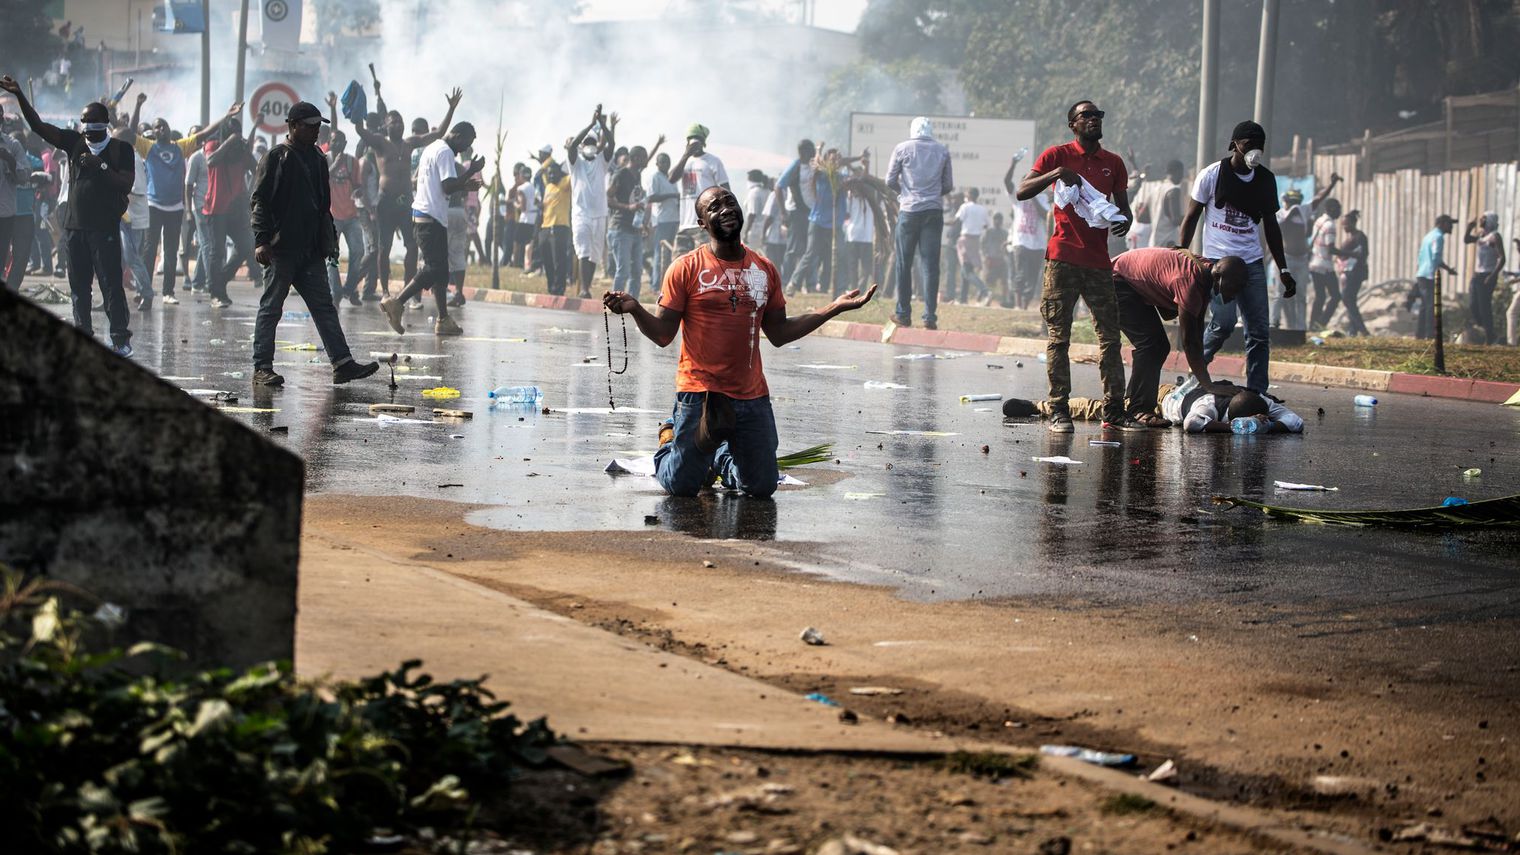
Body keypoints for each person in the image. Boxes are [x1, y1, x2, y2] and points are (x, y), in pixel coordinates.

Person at [601, 185, 877, 498]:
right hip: (700, 392)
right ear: (703, 224)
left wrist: (835, 307)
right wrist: (636, 308)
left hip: (750, 395)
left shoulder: (764, 269)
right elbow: (664, 335)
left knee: (761, 487)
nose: (725, 209)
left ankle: (719, 458)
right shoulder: (686, 268)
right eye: (714, 207)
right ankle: (670, 438)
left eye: (729, 202)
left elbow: (780, 332)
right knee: (682, 486)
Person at [1016, 100, 1137, 433]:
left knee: (1111, 338)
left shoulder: (1113, 163)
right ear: (1073, 124)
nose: (1094, 119)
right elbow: (1022, 190)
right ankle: (1059, 410)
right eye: (1087, 116)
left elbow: (1124, 209)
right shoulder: (1057, 155)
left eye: (1098, 115)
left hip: (1098, 262)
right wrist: (1056, 175)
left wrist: (1124, 221)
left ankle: (1114, 410)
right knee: (1059, 338)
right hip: (1062, 259)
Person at [1, 76, 136, 355]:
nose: (86, 129)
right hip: (74, 229)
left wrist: (99, 166)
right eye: (83, 123)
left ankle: (120, 340)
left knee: (111, 286)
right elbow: (38, 127)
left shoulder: (120, 150)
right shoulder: (75, 142)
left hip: (104, 229)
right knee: (79, 289)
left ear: (104, 123)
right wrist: (20, 96)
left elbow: (125, 184)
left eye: (91, 123)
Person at [249, 101, 378, 387]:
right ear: (292, 126)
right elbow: (260, 201)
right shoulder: (276, 158)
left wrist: (329, 239)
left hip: (310, 251)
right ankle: (262, 367)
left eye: (318, 127)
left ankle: (342, 363)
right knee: (271, 308)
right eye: (310, 127)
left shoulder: (319, 159)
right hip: (281, 249)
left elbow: (323, 205)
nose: (315, 132)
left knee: (324, 306)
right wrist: (261, 240)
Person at [1178, 120, 1297, 395]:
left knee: (1258, 332)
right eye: (1248, 145)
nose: (1254, 150)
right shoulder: (1212, 175)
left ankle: (1258, 393)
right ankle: (1195, 377)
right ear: (1234, 145)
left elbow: (1271, 226)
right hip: (1219, 266)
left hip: (1252, 264)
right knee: (1223, 324)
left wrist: (1283, 268)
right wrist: (1183, 255)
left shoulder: (1265, 180)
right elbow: (1192, 216)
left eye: (1260, 146)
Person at [125, 94, 240, 304]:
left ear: (169, 129)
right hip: (154, 205)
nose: (160, 129)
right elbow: (129, 133)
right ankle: (145, 291)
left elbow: (205, 132)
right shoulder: (147, 147)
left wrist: (226, 116)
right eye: (156, 127)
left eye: (163, 126)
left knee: (170, 252)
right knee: (150, 250)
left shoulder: (180, 147)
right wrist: (138, 105)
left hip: (175, 208)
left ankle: (168, 292)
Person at [350, 81, 461, 299]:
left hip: (405, 201)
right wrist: (357, 110)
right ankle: (383, 291)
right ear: (386, 124)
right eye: (394, 122)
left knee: (412, 246)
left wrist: (451, 108)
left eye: (400, 121)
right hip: (386, 201)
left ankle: (408, 289)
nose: (398, 125)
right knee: (384, 247)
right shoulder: (380, 143)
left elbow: (437, 135)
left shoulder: (409, 143)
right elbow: (360, 130)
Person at [1111, 246, 1247, 424]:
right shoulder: (1190, 282)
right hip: (1118, 281)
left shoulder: (1205, 273)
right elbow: (1190, 342)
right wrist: (1208, 385)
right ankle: (1138, 410)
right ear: (1218, 279)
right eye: (1233, 288)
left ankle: (1137, 403)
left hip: (1129, 277)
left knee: (1156, 345)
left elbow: (1197, 331)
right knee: (1153, 345)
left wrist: (1204, 378)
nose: (1234, 296)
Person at [379, 121, 483, 336]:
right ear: (457, 135)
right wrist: (470, 172)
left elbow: (438, 184)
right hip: (430, 217)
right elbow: (448, 185)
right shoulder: (445, 152)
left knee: (441, 272)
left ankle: (443, 319)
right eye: (466, 143)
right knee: (433, 268)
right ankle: (397, 302)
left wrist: (464, 184)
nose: (465, 148)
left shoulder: (432, 147)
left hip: (427, 215)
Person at [886, 117, 952, 329]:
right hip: (933, 212)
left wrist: (905, 192)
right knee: (930, 265)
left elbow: (889, 180)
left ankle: (903, 314)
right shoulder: (942, 151)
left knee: (904, 263)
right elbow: (948, 185)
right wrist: (931, 194)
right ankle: (930, 317)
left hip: (909, 211)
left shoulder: (902, 148)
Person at [203, 119, 258, 308]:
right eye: (232, 133)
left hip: (236, 210)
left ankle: (219, 283)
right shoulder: (213, 145)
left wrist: (249, 193)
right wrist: (229, 142)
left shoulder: (241, 151)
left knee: (246, 245)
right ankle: (216, 294)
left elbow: (258, 170)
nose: (236, 137)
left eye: (238, 133)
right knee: (216, 251)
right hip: (216, 208)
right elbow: (211, 161)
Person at [1273, 174, 1339, 329]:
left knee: (1301, 295)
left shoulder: (1304, 211)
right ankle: (1274, 322)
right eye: (1292, 202)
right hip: (1285, 259)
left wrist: (1331, 184)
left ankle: (1300, 327)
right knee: (1280, 293)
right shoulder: (1280, 215)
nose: (1295, 206)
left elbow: (1319, 198)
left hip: (1301, 260)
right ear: (1286, 202)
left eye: (1297, 202)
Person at [568, 105, 615, 298]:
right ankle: (584, 289)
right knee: (583, 252)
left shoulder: (601, 161)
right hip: (581, 213)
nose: (588, 143)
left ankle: (586, 286)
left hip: (600, 214)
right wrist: (590, 125)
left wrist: (602, 124)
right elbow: (572, 146)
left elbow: (611, 143)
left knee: (594, 254)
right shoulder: (575, 162)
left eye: (592, 142)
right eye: (586, 141)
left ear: (597, 146)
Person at [324, 126, 369, 307]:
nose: (337, 144)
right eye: (334, 140)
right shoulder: (323, 160)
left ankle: (349, 289)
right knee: (332, 256)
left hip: (351, 215)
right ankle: (335, 292)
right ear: (329, 142)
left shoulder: (352, 162)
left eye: (340, 141)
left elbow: (358, 185)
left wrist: (358, 192)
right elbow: (318, 181)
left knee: (358, 251)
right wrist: (333, 167)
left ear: (345, 143)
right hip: (331, 216)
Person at [667, 123, 729, 251]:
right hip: (685, 225)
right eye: (692, 140)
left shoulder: (713, 161)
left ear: (703, 143)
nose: (695, 144)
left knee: (705, 265)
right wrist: (686, 155)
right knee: (680, 265)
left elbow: (726, 191)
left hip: (705, 225)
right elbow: (671, 179)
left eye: (698, 140)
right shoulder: (684, 161)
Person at [1004, 151, 1051, 310]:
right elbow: (1007, 181)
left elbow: (1045, 216)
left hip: (1037, 245)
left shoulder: (1042, 199)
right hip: (1021, 242)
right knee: (1020, 275)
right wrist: (1013, 163)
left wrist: (1033, 196)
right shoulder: (1017, 197)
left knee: (1032, 278)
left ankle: (1025, 305)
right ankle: (1018, 305)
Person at [609, 144, 650, 298]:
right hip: (620, 228)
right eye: (644, 157)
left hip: (635, 229)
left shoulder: (637, 175)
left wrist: (643, 223)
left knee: (636, 271)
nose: (646, 160)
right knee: (623, 271)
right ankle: (615, 302)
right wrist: (628, 206)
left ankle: (632, 304)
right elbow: (607, 198)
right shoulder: (620, 174)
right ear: (635, 158)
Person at [776, 139, 815, 284]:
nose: (813, 154)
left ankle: (808, 283)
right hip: (796, 211)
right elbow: (779, 187)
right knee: (793, 249)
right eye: (811, 151)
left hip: (811, 212)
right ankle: (786, 281)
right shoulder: (795, 166)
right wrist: (783, 213)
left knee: (809, 249)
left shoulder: (813, 166)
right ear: (803, 152)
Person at [1464, 212, 1505, 344]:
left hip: (1487, 275)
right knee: (1473, 305)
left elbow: (1502, 258)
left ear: (1489, 221)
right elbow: (1467, 240)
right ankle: (1488, 331)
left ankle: (1489, 336)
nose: (1480, 220)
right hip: (1477, 275)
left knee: (1484, 307)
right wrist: (1469, 228)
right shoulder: (1482, 235)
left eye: (1483, 218)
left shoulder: (1494, 237)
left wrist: (1493, 276)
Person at [1412, 214, 1456, 339]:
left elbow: (1421, 256)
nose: (1451, 226)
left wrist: (1447, 269)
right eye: (1449, 223)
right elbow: (1436, 257)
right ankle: (1429, 334)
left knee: (1425, 305)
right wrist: (1443, 270)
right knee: (1431, 305)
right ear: (1441, 224)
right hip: (1430, 275)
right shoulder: (1438, 237)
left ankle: (1420, 334)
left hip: (1422, 273)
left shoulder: (1429, 236)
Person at [121, 145, 152, 311]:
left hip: (132, 219)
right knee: (114, 259)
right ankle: (111, 298)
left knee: (132, 257)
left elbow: (137, 190)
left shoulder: (133, 159)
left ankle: (147, 293)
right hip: (121, 216)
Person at [645, 151, 680, 294]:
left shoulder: (671, 179)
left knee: (670, 254)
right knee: (660, 254)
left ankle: (665, 283)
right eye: (663, 161)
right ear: (657, 163)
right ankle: (655, 285)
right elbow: (651, 197)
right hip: (662, 220)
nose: (666, 164)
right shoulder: (655, 177)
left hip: (674, 219)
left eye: (668, 161)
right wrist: (672, 195)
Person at [1307, 197, 1343, 328]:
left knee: (1320, 296)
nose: (1340, 212)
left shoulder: (1319, 220)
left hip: (1314, 264)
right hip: (1325, 266)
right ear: (1332, 209)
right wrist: (1349, 254)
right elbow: (1331, 248)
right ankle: (1321, 323)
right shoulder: (1330, 225)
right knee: (1336, 296)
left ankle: (1312, 324)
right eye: (1339, 209)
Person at [537, 158, 572, 296]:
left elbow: (574, 172)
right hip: (545, 227)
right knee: (547, 259)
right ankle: (551, 287)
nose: (551, 176)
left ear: (560, 173)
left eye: (554, 173)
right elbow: (541, 171)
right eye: (549, 173)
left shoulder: (565, 183)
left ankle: (559, 289)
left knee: (559, 260)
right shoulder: (548, 186)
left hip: (560, 227)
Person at [839, 169, 875, 293]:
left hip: (856, 235)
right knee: (863, 266)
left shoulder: (854, 197)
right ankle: (859, 287)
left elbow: (846, 215)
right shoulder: (870, 198)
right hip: (862, 236)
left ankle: (856, 288)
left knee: (855, 266)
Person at [1336, 210, 1370, 337]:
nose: (1345, 227)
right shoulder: (1350, 237)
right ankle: (1353, 330)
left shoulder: (1359, 236)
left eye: (1347, 224)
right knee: (1350, 300)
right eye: (1343, 225)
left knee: (1347, 298)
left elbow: (1363, 254)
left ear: (1353, 223)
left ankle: (1363, 330)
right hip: (1348, 273)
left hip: (1356, 272)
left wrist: (1342, 253)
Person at [954, 187, 990, 305]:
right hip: (976, 240)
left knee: (966, 271)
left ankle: (985, 290)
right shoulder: (982, 209)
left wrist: (943, 222)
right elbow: (986, 225)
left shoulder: (965, 207)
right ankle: (963, 299)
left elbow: (957, 221)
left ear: (969, 195)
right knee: (967, 268)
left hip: (965, 239)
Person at [1147, 160, 1186, 249]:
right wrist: (1192, 216)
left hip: (1154, 241)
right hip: (1168, 242)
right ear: (1176, 171)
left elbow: (1144, 217)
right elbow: (1175, 220)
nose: (1182, 176)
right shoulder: (1174, 190)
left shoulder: (1156, 189)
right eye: (1181, 172)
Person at [982, 212, 1009, 306]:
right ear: (993, 220)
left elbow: (1007, 247)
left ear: (1002, 221)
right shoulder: (988, 232)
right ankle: (988, 299)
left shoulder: (1005, 233)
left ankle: (1004, 301)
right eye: (995, 218)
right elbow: (982, 245)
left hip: (1001, 260)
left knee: (1004, 282)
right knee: (989, 282)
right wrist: (985, 256)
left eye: (999, 219)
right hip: (991, 260)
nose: (997, 221)